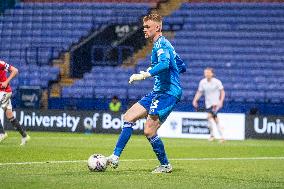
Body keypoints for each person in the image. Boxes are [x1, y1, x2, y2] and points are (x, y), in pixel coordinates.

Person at [106, 13, 186, 173]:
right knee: (128, 117)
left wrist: (145, 74)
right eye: (144, 27)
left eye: (147, 27)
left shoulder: (162, 45)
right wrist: (171, 67)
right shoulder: (164, 45)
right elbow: (182, 66)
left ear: (158, 27)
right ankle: (114, 157)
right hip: (158, 91)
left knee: (149, 130)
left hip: (168, 92)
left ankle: (165, 166)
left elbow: (164, 64)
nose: (144, 30)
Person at [0, 60, 30, 145]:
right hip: (2, 92)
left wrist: (6, 81)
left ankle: (2, 133)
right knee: (10, 115)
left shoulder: (1, 63)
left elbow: (15, 70)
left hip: (4, 92)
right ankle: (24, 136)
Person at [192, 67, 225, 143]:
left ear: (212, 74)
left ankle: (212, 135)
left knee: (209, 117)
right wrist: (195, 100)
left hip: (215, 104)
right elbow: (199, 92)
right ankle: (222, 137)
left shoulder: (217, 82)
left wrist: (221, 101)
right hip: (208, 104)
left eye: (208, 73)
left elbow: (222, 92)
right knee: (215, 120)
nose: (206, 74)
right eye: (205, 73)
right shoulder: (202, 82)